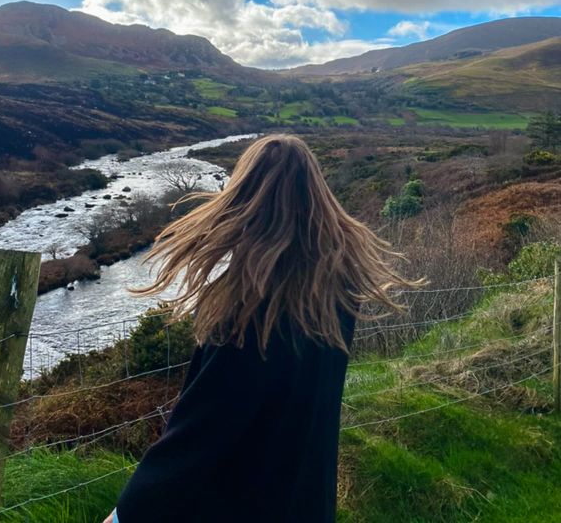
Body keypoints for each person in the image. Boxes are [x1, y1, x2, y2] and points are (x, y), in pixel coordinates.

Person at [103, 134, 414, 523]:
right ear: (315, 200)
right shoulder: (336, 292)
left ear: (244, 199)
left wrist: (125, 515)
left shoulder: (247, 312)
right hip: (305, 502)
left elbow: (198, 436)